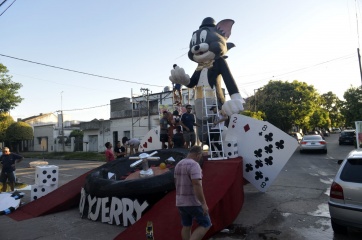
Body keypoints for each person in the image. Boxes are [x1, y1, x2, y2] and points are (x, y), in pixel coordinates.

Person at [174, 146, 211, 240]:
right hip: (192, 202)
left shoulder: (178, 164)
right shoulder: (194, 165)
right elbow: (197, 184)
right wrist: (203, 203)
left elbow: (175, 182)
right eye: (201, 156)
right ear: (198, 155)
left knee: (186, 226)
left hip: (180, 202)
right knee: (206, 224)